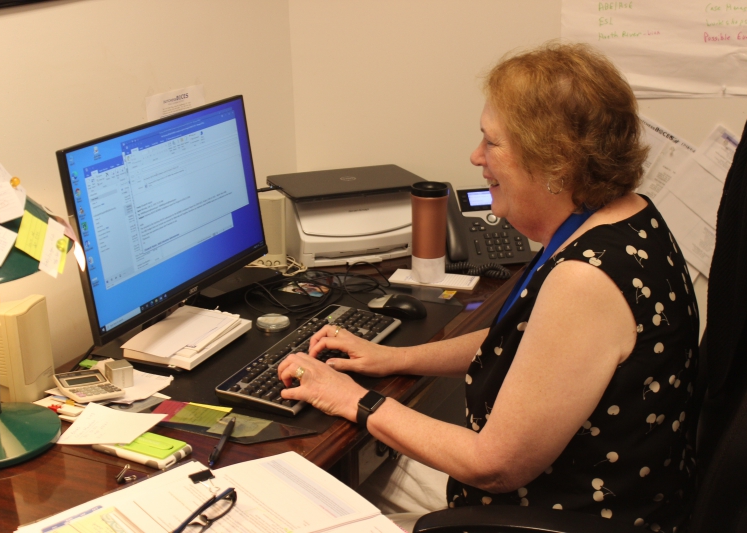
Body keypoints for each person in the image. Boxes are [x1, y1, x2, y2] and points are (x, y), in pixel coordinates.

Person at [277, 42, 699, 532]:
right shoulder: (623, 216)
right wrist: (396, 358)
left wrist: (353, 399)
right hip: (594, 495)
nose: (476, 156)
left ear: (554, 162)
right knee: (366, 470)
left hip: (557, 514)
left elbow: (493, 466)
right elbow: (535, 342)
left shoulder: (587, 278)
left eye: (492, 142)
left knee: (312, 504)